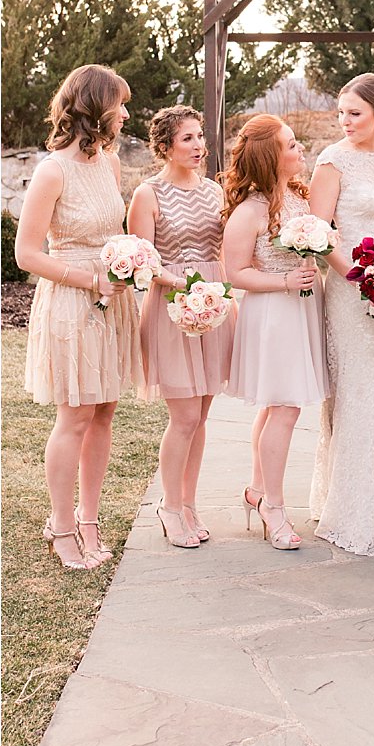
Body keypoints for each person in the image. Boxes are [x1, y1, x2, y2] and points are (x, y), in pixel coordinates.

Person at [15, 65, 142, 569]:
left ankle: (89, 519)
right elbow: (27, 254)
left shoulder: (109, 164)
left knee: (105, 411)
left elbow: (116, 230)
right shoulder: (52, 171)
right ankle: (61, 526)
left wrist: (131, 262)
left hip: (114, 298)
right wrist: (90, 279)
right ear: (95, 109)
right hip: (73, 300)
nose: (127, 114)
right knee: (76, 415)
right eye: (120, 104)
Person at [308, 72, 374, 556]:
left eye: (355, 113)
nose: (345, 121)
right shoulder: (331, 162)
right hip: (351, 290)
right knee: (359, 386)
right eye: (341, 113)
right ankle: (351, 507)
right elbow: (319, 233)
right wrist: (363, 279)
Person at [127, 106, 235, 548]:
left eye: (200, 136)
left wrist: (215, 295)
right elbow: (141, 262)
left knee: (203, 413)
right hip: (171, 306)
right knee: (185, 415)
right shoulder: (147, 194)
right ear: (165, 146)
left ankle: (189, 502)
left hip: (213, 304)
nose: (198, 146)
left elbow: (227, 249)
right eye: (188, 138)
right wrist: (180, 285)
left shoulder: (214, 191)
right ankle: (169, 506)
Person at [220, 114, 328, 551]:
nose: (300, 149)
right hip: (273, 313)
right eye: (290, 145)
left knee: (273, 408)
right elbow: (235, 273)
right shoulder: (250, 212)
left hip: (303, 308)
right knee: (284, 408)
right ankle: (274, 507)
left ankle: (257, 489)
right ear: (271, 157)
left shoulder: (300, 200)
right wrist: (285, 282)